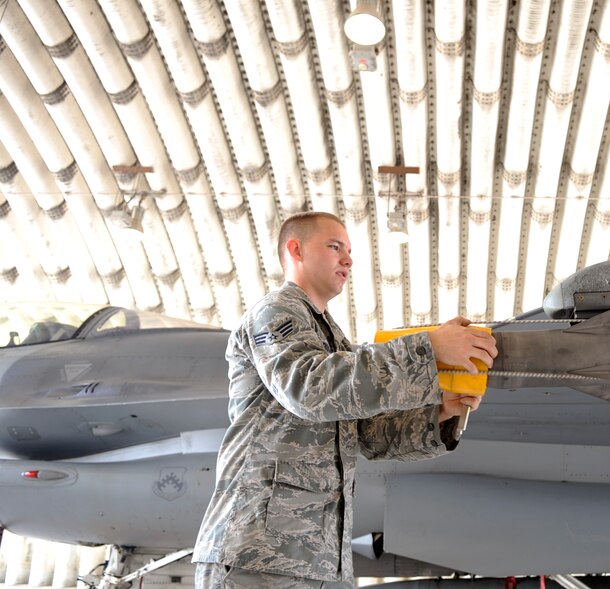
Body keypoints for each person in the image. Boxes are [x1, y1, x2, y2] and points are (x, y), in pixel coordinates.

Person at [192, 211, 498, 588]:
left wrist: (440, 410)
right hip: (259, 555)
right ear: (296, 250)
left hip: (319, 564)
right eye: (334, 247)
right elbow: (309, 388)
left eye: (349, 250)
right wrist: (427, 350)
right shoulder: (275, 313)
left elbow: (368, 435)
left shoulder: (332, 339)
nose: (348, 259)